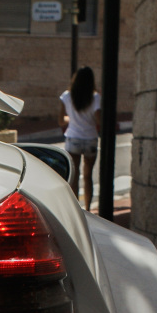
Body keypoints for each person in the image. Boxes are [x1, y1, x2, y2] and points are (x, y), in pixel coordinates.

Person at [58, 66, 102, 211]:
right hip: (90, 139)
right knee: (88, 176)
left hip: (73, 139)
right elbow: (98, 121)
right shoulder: (95, 97)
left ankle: (76, 209)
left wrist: (72, 119)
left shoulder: (67, 96)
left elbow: (61, 121)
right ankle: (88, 208)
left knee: (74, 177)